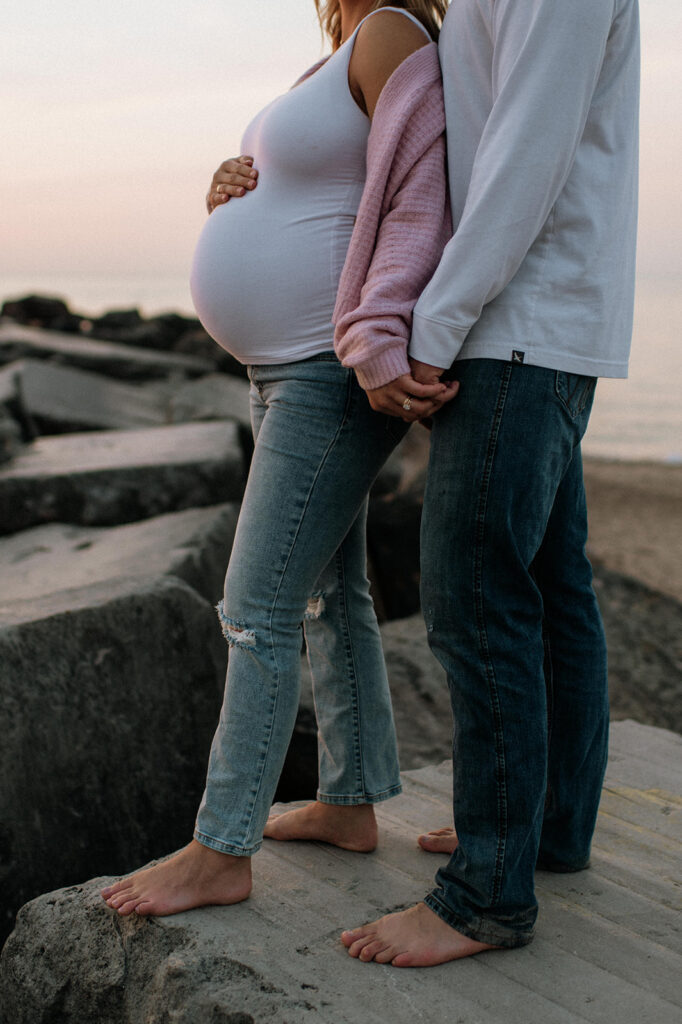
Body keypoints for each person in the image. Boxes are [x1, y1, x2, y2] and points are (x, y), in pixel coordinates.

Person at [101, 0, 454, 918]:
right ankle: (349, 800)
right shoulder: (334, 57)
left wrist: (380, 343)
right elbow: (319, 186)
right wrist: (231, 185)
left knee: (253, 609)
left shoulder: (390, 31)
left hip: (327, 374)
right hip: (279, 369)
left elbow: (423, 198)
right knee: (332, 594)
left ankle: (222, 850)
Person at [341, 0, 641, 966]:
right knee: (552, 595)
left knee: (476, 603)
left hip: (514, 324)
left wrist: (431, 326)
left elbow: (527, 155)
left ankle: (484, 897)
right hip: (528, 322)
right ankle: (536, 831)